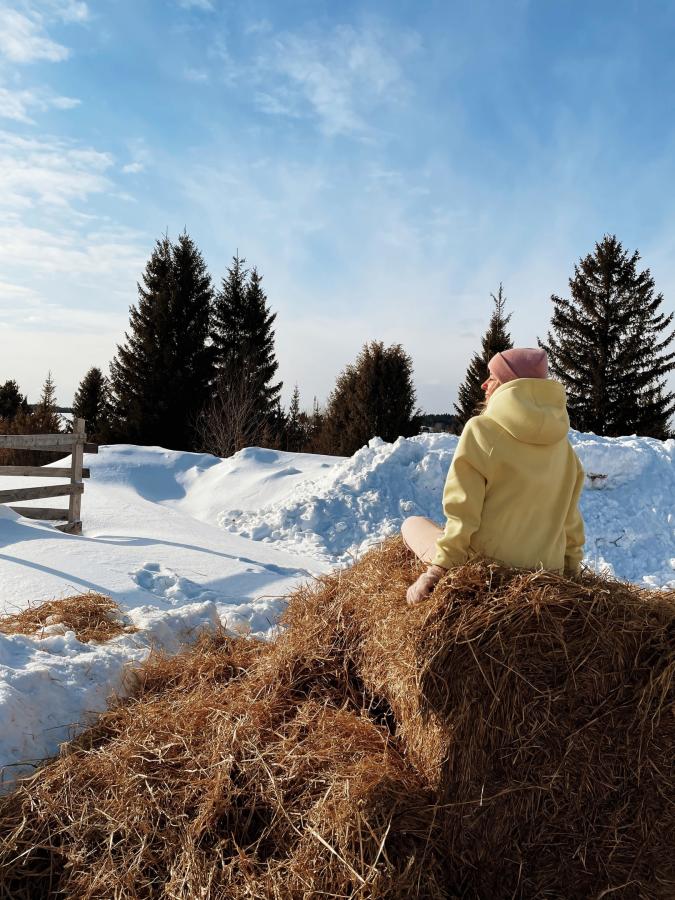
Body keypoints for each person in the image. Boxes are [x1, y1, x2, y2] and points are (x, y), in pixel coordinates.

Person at [403, 347, 585, 606]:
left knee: (412, 523)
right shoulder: (564, 448)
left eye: (492, 377)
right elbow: (571, 524)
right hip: (545, 576)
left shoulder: (481, 431)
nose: (484, 384)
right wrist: (572, 577)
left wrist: (436, 572)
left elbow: (463, 514)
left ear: (509, 385)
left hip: (485, 572)